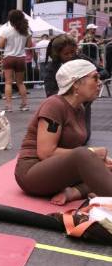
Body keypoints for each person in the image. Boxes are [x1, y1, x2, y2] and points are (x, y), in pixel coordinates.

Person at [15, 59, 112, 205]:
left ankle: (74, 192)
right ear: (76, 84)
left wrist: (96, 160)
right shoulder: (54, 105)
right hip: (32, 172)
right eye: (95, 78)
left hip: (58, 171)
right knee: (84, 154)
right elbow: (46, 153)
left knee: (105, 165)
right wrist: (92, 153)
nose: (99, 83)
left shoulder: (80, 108)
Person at [0, 10, 30, 112]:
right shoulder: (26, 31)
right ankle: (24, 105)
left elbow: (0, 45)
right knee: (20, 83)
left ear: (11, 20)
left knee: (8, 82)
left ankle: (9, 106)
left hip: (9, 57)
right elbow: (29, 45)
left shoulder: (7, 30)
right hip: (21, 58)